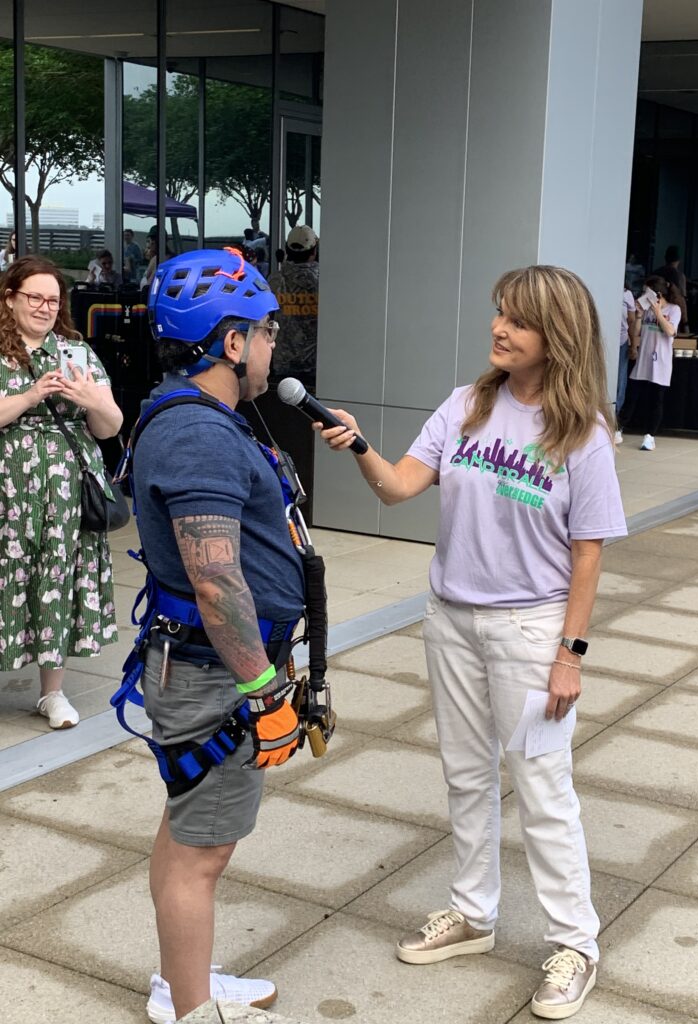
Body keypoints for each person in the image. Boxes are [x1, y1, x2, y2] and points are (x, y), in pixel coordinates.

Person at [315, 264, 627, 1020]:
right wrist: (359, 446)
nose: (499, 329)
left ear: (557, 336)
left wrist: (569, 656)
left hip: (532, 629)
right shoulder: (465, 406)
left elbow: (589, 551)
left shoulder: (581, 434)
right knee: (465, 775)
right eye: (498, 315)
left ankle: (575, 944)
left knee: (544, 788)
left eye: (517, 321)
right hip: (450, 619)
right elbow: (397, 487)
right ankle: (474, 916)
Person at [133, 248, 304, 1022]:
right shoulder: (199, 435)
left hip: (204, 669)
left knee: (187, 831)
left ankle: (182, 982)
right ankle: (191, 1009)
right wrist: (262, 688)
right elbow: (215, 579)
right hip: (214, 676)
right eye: (266, 331)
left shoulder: (195, 418)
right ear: (231, 343)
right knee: (203, 854)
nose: (274, 346)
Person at [0, 255, 122, 727]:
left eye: (53, 300)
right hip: (9, 488)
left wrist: (94, 402)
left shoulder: (76, 352)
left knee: (56, 578)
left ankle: (52, 694)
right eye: (35, 297)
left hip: (65, 493)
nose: (45, 307)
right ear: (9, 298)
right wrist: (31, 396)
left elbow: (110, 427)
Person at [619, 275, 681, 451]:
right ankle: (618, 429)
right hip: (644, 357)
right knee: (633, 395)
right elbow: (637, 332)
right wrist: (639, 316)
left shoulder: (674, 309)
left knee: (656, 399)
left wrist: (658, 312)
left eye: (647, 293)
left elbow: (670, 331)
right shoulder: (646, 310)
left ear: (657, 294)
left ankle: (649, 436)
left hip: (661, 360)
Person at [267, 224, 319, 381]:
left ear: (287, 251)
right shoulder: (325, 281)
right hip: (317, 366)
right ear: (314, 251)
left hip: (283, 365)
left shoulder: (275, 280)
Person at [614, 283, 638, 444]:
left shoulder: (626, 294)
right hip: (608, 339)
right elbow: (631, 319)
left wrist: (633, 344)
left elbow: (632, 320)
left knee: (620, 383)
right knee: (618, 382)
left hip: (621, 341)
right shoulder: (625, 294)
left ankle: (616, 422)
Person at [653, 246, 688, 332]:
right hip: (672, 318)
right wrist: (686, 324)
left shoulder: (656, 273)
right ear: (679, 260)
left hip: (653, 311)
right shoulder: (679, 276)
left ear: (665, 258)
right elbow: (681, 301)